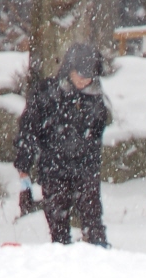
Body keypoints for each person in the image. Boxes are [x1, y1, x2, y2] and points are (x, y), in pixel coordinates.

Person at [14, 42, 111, 247]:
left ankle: (99, 254)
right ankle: (61, 257)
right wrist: (24, 166)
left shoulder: (96, 101)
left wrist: (91, 168)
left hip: (85, 167)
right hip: (54, 167)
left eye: (89, 77)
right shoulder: (47, 94)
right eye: (80, 74)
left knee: (92, 216)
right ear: (69, 69)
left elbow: (95, 137)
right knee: (58, 222)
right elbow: (28, 129)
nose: (84, 81)